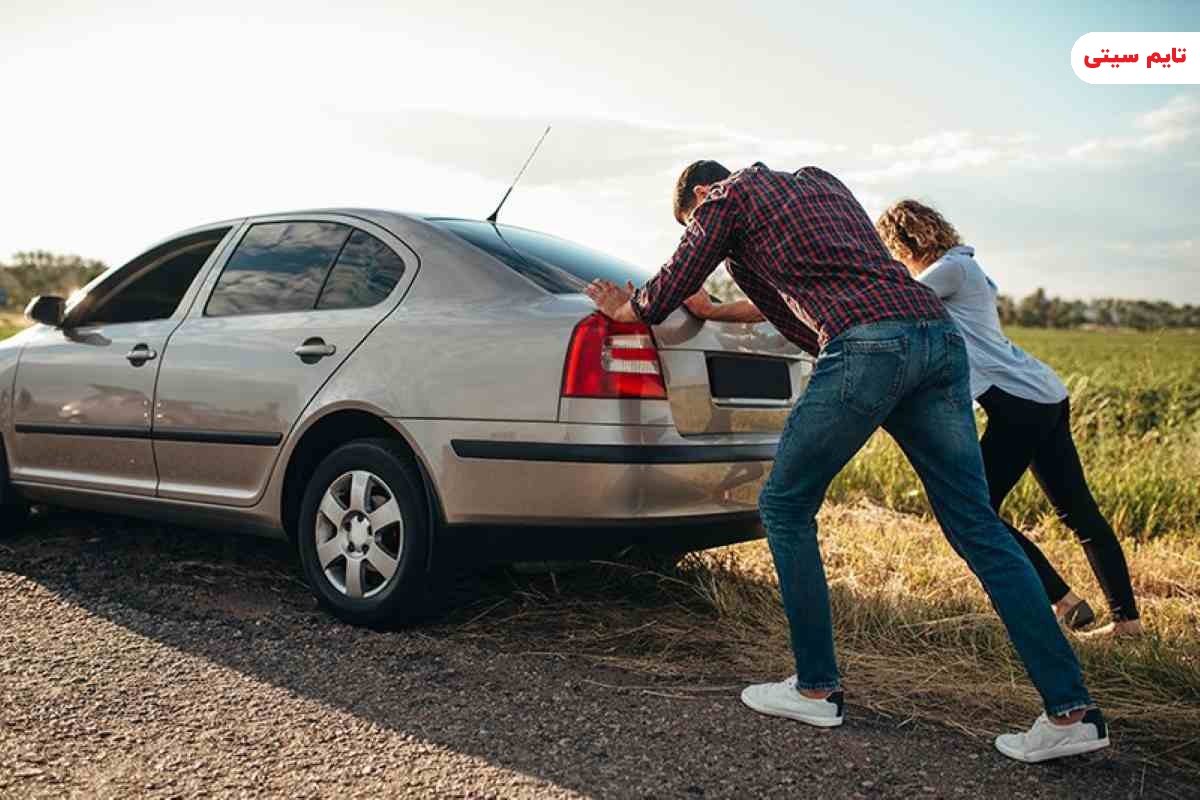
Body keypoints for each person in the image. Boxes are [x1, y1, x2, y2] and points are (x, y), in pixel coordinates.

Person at [585, 161, 1109, 763]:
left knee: (783, 505)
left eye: (692, 216)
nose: (700, 222)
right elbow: (796, 310)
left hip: (868, 344)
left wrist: (634, 308)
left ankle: (814, 687)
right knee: (977, 524)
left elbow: (673, 282)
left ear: (701, 194)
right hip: (938, 339)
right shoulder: (821, 181)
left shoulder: (725, 197)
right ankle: (1071, 712)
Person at [874, 199, 1142, 638]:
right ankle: (1119, 620)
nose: (896, 258)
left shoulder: (950, 270)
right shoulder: (963, 267)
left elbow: (897, 302)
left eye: (893, 248)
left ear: (904, 241)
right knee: (1076, 512)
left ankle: (1063, 602)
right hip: (1041, 396)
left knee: (972, 508)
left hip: (1020, 403)